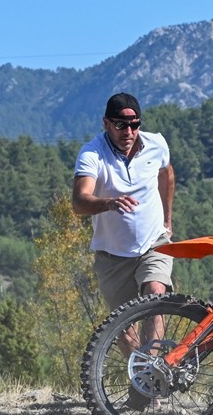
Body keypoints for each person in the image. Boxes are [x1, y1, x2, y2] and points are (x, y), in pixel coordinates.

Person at [72, 93, 175, 313]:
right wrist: (108, 203)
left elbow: (166, 174)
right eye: (120, 125)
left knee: (155, 295)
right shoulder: (92, 154)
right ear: (106, 123)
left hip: (153, 243)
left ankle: (154, 349)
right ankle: (139, 350)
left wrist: (168, 220)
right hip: (112, 255)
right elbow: (79, 201)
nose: (128, 132)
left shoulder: (156, 144)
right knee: (123, 326)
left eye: (134, 124)